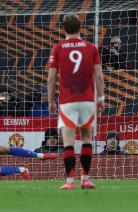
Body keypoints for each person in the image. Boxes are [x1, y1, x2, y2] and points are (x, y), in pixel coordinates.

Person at [48, 13, 105, 190]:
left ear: (63, 28)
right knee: (87, 138)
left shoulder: (58, 48)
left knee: (68, 141)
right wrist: (101, 98)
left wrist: (50, 101)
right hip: (87, 100)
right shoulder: (91, 48)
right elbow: (98, 76)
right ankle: (86, 179)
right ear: (80, 28)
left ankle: (70, 181)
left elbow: (51, 79)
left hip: (68, 101)